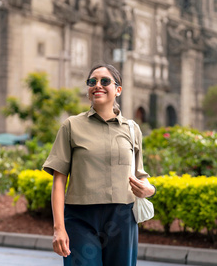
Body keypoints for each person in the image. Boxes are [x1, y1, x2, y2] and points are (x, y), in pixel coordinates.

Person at [42, 63, 156, 266]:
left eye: (105, 81)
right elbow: (59, 180)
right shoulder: (71, 126)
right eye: (92, 81)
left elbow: (140, 174)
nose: (97, 85)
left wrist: (149, 190)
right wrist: (58, 228)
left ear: (118, 89)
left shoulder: (132, 129)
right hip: (80, 219)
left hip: (122, 219)